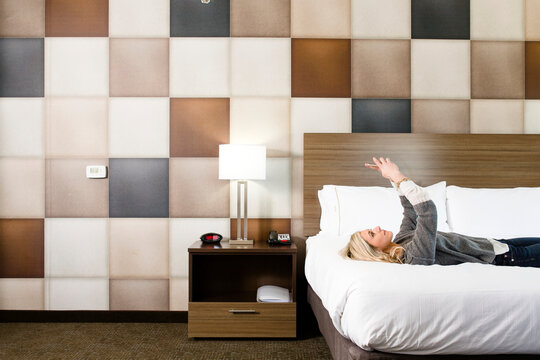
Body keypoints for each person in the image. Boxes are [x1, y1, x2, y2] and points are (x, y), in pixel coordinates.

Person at [341, 157, 540, 268]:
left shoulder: (402, 241)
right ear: (375, 251)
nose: (377, 227)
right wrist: (398, 176)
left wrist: (393, 180)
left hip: (497, 244)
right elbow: (427, 213)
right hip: (505, 258)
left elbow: (411, 212)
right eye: (372, 234)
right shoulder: (413, 258)